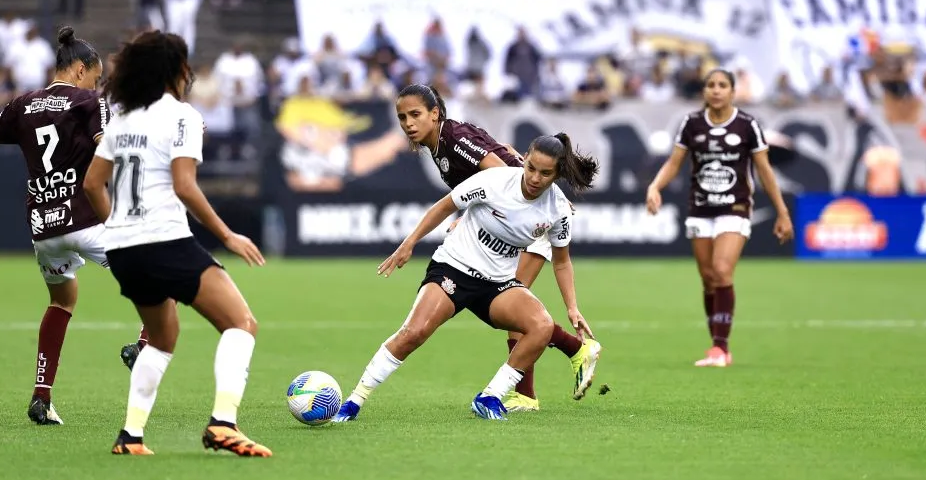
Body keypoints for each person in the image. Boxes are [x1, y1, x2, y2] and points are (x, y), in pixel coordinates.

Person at [82, 30, 271, 457]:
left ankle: (130, 436)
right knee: (241, 324)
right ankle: (223, 423)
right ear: (175, 70)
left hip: (123, 248)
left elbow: (93, 183)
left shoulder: (123, 119)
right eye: (185, 65)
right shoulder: (181, 116)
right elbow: (185, 186)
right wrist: (227, 235)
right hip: (163, 240)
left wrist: (117, 224)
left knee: (163, 339)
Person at [0, 26, 131, 425]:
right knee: (158, 270)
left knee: (62, 301)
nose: (97, 83)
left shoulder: (22, 104)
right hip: (88, 219)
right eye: (96, 75)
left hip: (44, 228)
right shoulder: (90, 101)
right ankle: (143, 346)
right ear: (79, 69)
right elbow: (110, 147)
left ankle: (42, 396)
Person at [333, 134, 599, 422]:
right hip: (454, 268)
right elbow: (444, 206)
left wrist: (572, 308)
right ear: (524, 160)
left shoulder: (558, 209)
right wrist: (408, 243)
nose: (535, 177)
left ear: (557, 174)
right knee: (414, 333)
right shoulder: (494, 182)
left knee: (541, 326)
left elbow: (561, 262)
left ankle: (489, 397)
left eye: (546, 173)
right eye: (531, 167)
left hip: (496, 286)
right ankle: (353, 402)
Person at [388, 84, 602, 412]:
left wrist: (476, 212)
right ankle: (558, 365)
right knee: (514, 310)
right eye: (403, 117)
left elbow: (501, 175)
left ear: (434, 113)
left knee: (513, 305)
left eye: (414, 115)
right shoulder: (444, 141)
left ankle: (550, 374)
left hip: (529, 219)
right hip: (517, 217)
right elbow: (503, 149)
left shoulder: (453, 140)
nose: (408, 123)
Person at [645, 69, 794, 368]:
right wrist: (655, 186)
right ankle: (716, 345)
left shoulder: (747, 125)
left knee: (722, 270)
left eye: (722, 85)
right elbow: (675, 162)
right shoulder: (691, 123)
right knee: (709, 279)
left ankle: (720, 348)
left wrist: (782, 212)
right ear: (704, 91)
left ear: (732, 91)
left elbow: (764, 171)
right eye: (710, 85)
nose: (716, 90)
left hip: (735, 207)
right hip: (700, 209)